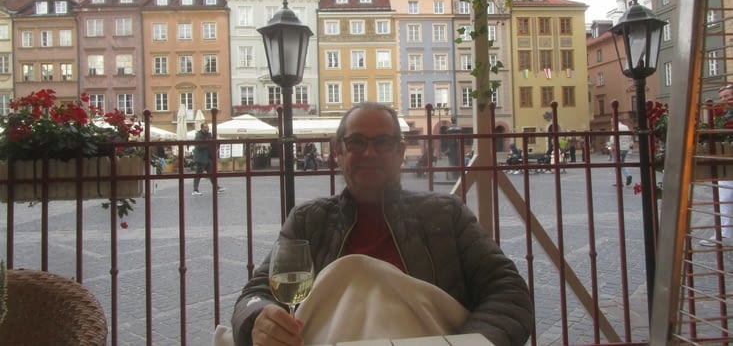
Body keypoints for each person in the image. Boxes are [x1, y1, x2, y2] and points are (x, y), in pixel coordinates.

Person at [231, 102, 533, 346]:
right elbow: (255, 293)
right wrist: (258, 319)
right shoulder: (309, 220)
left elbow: (509, 292)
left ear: (400, 153)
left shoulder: (446, 215)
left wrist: (473, 342)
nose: (369, 153)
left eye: (384, 143)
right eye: (357, 142)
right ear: (339, 151)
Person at [700, 84, 733, 246]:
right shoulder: (723, 117)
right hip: (726, 161)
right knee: (725, 197)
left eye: (728, 96)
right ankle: (723, 233)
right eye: (723, 97)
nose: (725, 99)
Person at [192, 122, 225, 196]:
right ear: (202, 128)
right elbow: (199, 146)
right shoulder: (198, 135)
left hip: (208, 158)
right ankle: (195, 190)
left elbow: (212, 144)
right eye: (206, 127)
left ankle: (217, 188)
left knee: (212, 174)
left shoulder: (209, 135)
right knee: (198, 174)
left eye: (208, 127)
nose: (207, 128)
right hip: (201, 158)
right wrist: (208, 142)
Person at [610, 116, 633, 186]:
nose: (611, 123)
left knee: (617, 164)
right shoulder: (626, 127)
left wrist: (612, 146)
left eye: (611, 121)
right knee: (621, 163)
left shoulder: (615, 128)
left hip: (618, 148)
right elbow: (630, 137)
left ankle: (620, 181)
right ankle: (627, 175)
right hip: (625, 148)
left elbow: (612, 139)